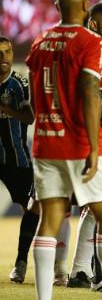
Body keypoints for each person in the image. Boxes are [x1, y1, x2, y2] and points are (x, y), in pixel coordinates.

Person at [26, 0, 102, 300]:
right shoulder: (89, 41)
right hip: (81, 143)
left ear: (57, 7)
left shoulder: (40, 42)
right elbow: (89, 92)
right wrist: (95, 148)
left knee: (50, 220)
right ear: (85, 7)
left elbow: (32, 100)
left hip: (45, 143)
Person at [67, 2, 102, 290]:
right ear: (94, 23)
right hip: (86, 139)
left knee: (54, 210)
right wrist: (92, 141)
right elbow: (92, 98)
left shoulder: (65, 46)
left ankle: (76, 270)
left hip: (56, 139)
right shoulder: (93, 50)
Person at [0, 36, 40, 284]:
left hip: (16, 159)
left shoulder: (19, 84)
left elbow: (30, 117)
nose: (4, 56)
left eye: (7, 51)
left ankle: (21, 262)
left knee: (32, 207)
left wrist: (7, 109)